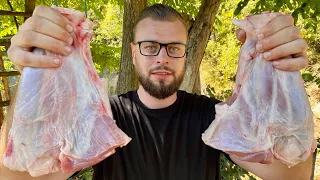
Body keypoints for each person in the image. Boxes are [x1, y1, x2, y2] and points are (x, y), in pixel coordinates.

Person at [0, 3, 313, 180]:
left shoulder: (213, 117)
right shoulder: (103, 120)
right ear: (134, 52)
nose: (162, 57)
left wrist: (283, 69)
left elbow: (292, 175)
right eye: (151, 47)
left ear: (184, 55)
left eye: (173, 48)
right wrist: (35, 72)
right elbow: (17, 176)